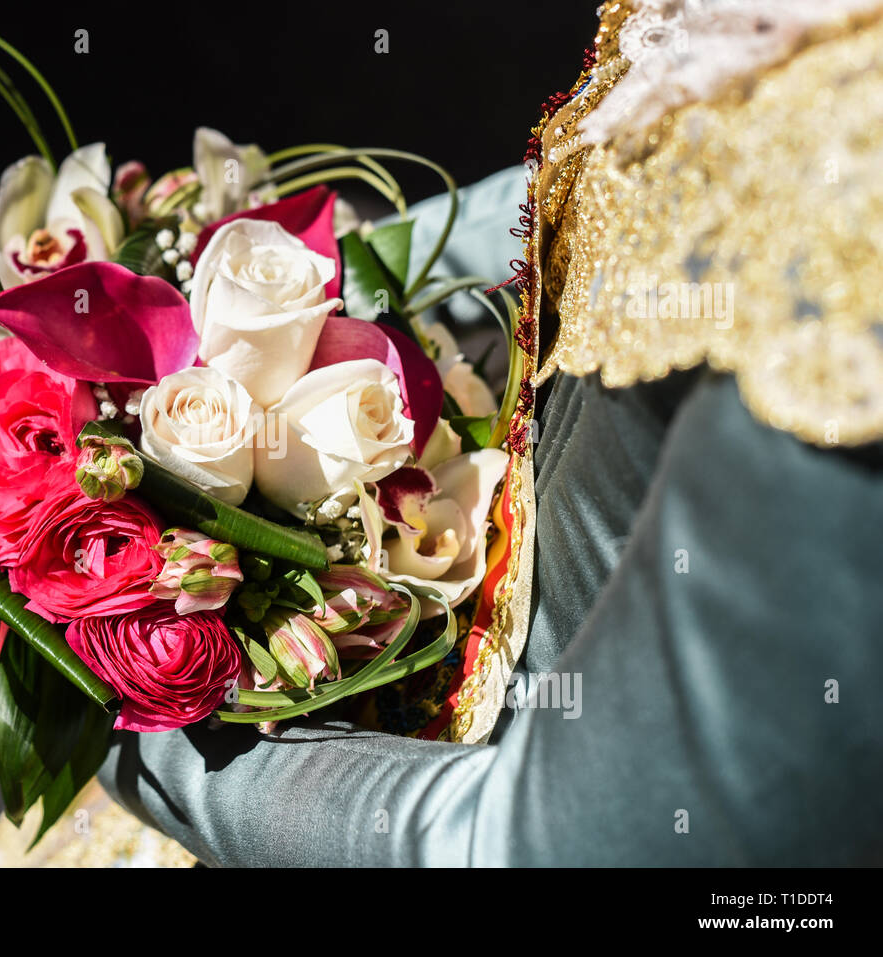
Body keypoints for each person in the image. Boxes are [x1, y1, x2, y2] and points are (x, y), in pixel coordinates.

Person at [97, 1, 883, 866]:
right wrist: (321, 287)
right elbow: (647, 165)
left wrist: (144, 726)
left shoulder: (844, 319)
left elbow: (534, 846)